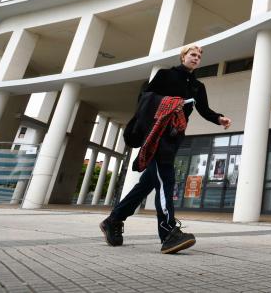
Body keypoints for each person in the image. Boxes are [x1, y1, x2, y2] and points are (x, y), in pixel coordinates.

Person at [100, 44, 233, 254]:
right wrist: (170, 103)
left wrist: (219, 118)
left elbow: (204, 110)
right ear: (183, 57)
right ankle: (168, 233)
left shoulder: (198, 86)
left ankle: (114, 220)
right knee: (166, 180)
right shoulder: (165, 75)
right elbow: (144, 98)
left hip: (174, 136)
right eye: (192, 54)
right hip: (156, 134)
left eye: (199, 56)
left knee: (147, 184)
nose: (196, 58)